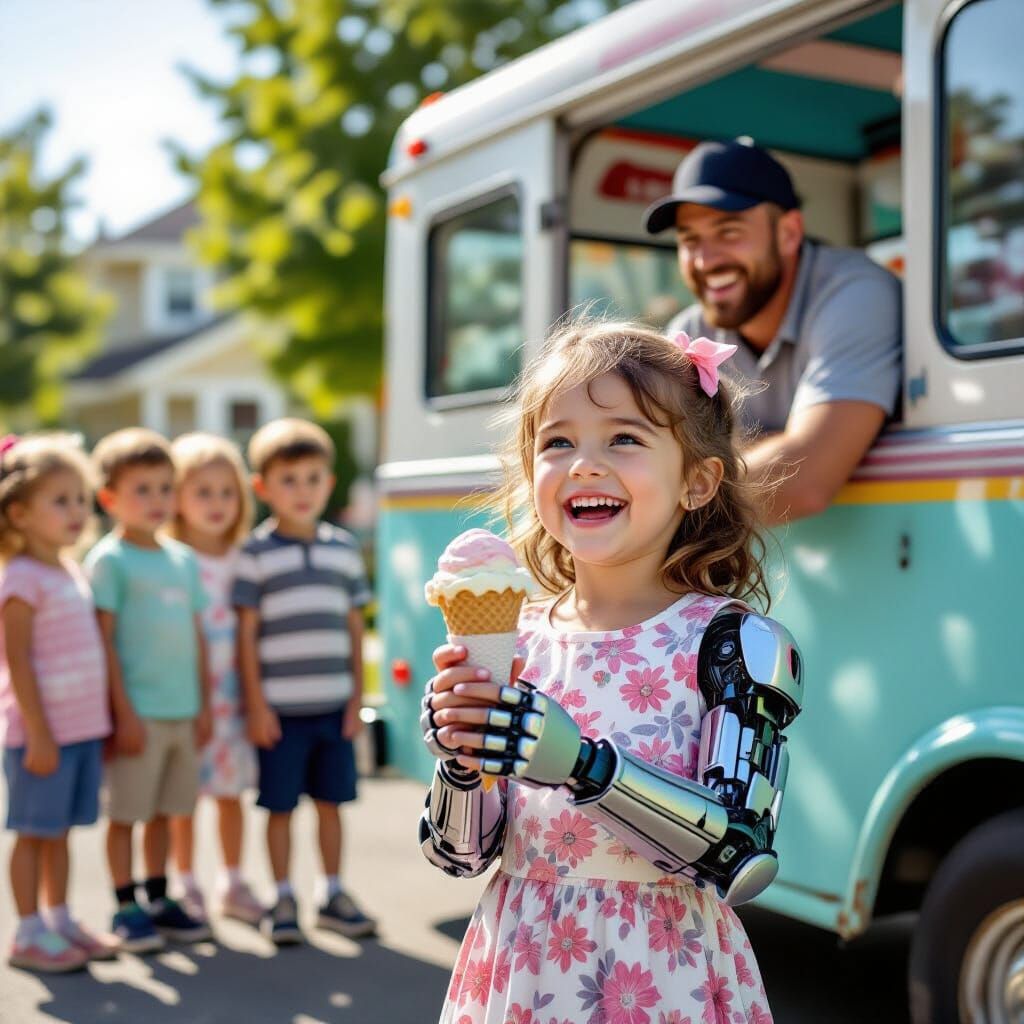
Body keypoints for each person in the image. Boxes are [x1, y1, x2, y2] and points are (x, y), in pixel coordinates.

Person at [419, 321, 802, 1023]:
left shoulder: (733, 642)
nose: (584, 463)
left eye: (623, 438)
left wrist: (584, 764)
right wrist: (461, 764)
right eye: (557, 442)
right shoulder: (518, 637)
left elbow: (742, 855)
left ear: (697, 481)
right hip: (522, 968)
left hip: (666, 975)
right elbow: (459, 858)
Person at [644, 138, 902, 522]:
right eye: (689, 239)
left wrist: (658, 506)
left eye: (728, 231)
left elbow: (808, 479)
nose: (705, 259)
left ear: (789, 234)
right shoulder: (690, 330)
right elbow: (657, 462)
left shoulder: (856, 292)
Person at [232, 418, 376, 944]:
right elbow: (246, 637)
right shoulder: (255, 554)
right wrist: (256, 704)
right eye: (288, 480)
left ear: (329, 482)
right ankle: (282, 896)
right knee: (279, 807)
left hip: (333, 706)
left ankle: (332, 892)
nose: (302, 491)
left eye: (313, 478)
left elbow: (354, 626)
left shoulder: (342, 549)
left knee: (332, 804)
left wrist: (357, 695)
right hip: (280, 712)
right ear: (262, 488)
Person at [85, 428, 212, 953]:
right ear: (110, 497)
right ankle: (125, 904)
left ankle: (160, 897)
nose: (157, 500)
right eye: (142, 489)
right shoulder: (109, 560)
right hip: (137, 715)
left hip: (183, 712)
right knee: (126, 815)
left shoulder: (183, 560)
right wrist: (122, 712)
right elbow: (104, 643)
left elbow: (198, 638)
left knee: (167, 811)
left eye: (165, 488)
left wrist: (203, 705)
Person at [0, 434, 117, 973]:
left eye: (79, 498)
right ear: (18, 512)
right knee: (33, 832)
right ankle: (27, 934)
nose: (76, 511)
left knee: (61, 832)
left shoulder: (70, 569)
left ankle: (59, 917)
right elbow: (17, 662)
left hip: (79, 730)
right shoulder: (20, 578)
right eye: (59, 500)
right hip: (40, 736)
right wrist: (38, 733)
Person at [166, 433, 263, 927]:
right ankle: (185, 881)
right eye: (202, 491)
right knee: (183, 796)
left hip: (234, 695)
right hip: (186, 697)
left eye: (226, 492)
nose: (216, 503)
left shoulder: (245, 556)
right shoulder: (171, 559)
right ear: (176, 498)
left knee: (230, 794)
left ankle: (232, 880)